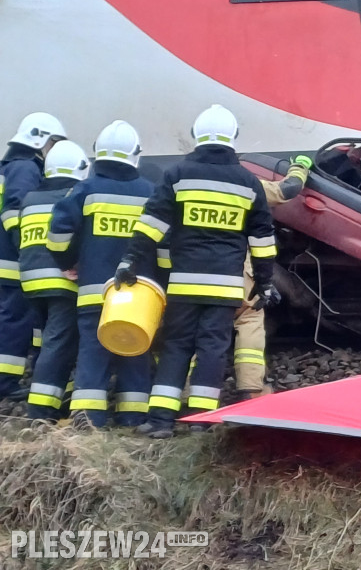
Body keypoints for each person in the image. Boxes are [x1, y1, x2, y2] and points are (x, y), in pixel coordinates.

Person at [117, 105, 279, 439]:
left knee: (176, 346)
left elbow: (152, 223)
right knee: (213, 349)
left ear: (196, 136)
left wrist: (130, 261)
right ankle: (200, 421)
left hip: (184, 283)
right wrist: (264, 282)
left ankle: (160, 421)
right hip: (226, 287)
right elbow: (262, 239)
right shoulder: (249, 182)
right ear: (233, 137)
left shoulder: (177, 174)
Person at [47, 121, 158, 428]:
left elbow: (58, 234)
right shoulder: (150, 193)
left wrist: (68, 261)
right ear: (135, 155)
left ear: (97, 155)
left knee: (92, 353)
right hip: (138, 294)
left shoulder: (84, 190)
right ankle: (133, 417)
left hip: (94, 290)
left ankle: (87, 418)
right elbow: (163, 243)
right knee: (136, 351)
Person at [233, 155, 311, 399]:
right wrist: (301, 166)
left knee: (193, 330)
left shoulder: (181, 183)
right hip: (238, 272)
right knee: (249, 321)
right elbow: (288, 189)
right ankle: (251, 391)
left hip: (193, 273)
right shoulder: (247, 184)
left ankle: (187, 396)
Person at [0, 113, 66, 400]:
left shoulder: (9, 167)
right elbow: (15, 210)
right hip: (11, 262)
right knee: (14, 320)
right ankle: (5, 384)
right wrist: (24, 246)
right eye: (54, 142)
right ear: (41, 140)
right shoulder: (26, 168)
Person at [23, 141, 91, 420]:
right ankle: (40, 410)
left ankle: (58, 395)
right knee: (58, 343)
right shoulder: (73, 195)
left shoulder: (29, 199)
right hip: (62, 281)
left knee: (45, 342)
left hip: (30, 283)